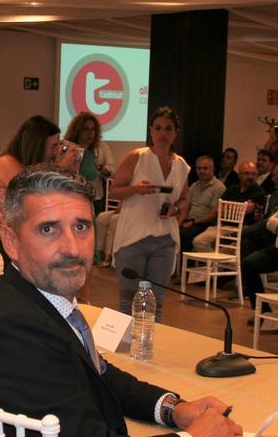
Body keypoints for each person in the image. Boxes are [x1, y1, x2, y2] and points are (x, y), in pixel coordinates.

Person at [0, 169, 246, 437]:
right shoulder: (15, 329)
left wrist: (173, 408)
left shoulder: (32, 301)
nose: (72, 248)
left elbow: (98, 374)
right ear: (11, 242)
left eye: (81, 227)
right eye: (48, 229)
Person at [0, 115, 75, 272]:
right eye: (53, 146)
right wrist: (61, 167)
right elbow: (35, 196)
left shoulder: (26, 166)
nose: (56, 152)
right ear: (37, 145)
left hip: (8, 245)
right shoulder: (7, 163)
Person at [109, 107, 190, 318]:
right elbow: (114, 190)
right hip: (133, 238)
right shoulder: (137, 157)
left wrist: (177, 209)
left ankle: (150, 349)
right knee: (128, 303)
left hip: (165, 240)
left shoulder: (181, 165)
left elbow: (184, 199)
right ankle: (125, 349)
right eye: (158, 128)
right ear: (151, 131)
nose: (163, 134)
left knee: (156, 304)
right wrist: (135, 189)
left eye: (168, 129)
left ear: (175, 133)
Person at [192, 160, 266, 252]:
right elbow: (218, 210)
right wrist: (241, 208)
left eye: (253, 174)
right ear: (239, 175)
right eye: (246, 173)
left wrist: (228, 208)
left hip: (242, 229)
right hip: (223, 226)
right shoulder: (232, 189)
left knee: (224, 251)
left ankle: (216, 263)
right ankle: (215, 263)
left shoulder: (259, 192)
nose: (250, 177)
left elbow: (249, 210)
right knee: (198, 241)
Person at [64, 111, 115, 213]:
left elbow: (111, 170)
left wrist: (102, 169)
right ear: (78, 131)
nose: (90, 133)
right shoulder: (69, 148)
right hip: (74, 197)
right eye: (86, 129)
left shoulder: (101, 147)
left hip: (96, 198)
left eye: (93, 129)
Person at [177, 155, 226, 252]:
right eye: (198, 168)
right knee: (173, 230)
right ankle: (176, 265)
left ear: (213, 169)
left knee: (184, 234)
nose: (201, 171)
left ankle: (187, 264)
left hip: (206, 224)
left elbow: (213, 214)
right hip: (190, 221)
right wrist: (179, 221)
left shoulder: (219, 188)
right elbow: (186, 207)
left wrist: (193, 222)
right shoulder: (195, 185)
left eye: (205, 168)